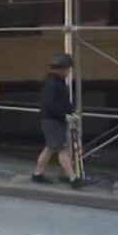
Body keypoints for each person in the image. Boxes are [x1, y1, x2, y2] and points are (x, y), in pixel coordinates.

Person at [32, 54, 88, 190]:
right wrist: (65, 115)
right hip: (53, 121)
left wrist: (72, 111)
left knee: (50, 148)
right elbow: (49, 105)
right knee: (63, 149)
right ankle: (73, 179)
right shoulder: (53, 84)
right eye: (68, 70)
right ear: (61, 69)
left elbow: (61, 102)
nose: (69, 72)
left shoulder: (54, 82)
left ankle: (37, 173)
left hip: (52, 120)